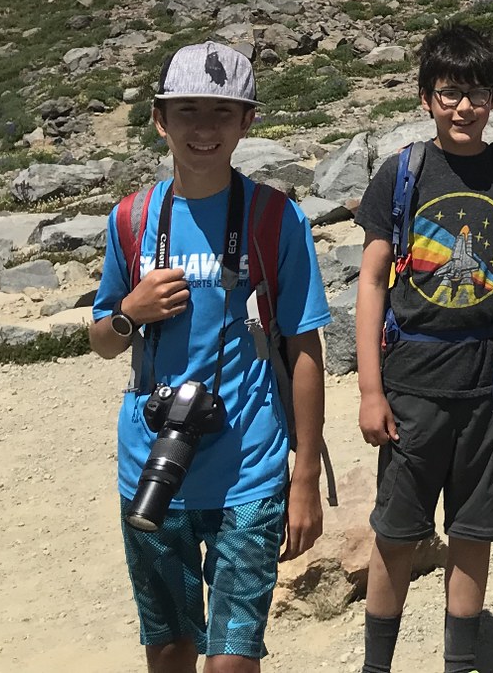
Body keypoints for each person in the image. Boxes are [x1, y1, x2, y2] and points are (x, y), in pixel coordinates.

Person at [90, 42, 331, 673]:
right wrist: (128, 312)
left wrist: (303, 475)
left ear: (247, 122)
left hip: (248, 468)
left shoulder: (275, 218)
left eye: (222, 113)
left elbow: (306, 348)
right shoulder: (132, 219)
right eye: (188, 110)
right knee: (168, 647)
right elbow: (101, 339)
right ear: (159, 118)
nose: (204, 128)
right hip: (150, 469)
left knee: (232, 659)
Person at [352, 25, 493, 673]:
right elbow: (372, 279)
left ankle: (458, 665)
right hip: (412, 388)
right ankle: (377, 665)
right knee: (396, 532)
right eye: (450, 93)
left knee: (474, 532)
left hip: (488, 387)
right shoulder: (401, 174)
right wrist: (370, 390)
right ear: (427, 98)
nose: (465, 107)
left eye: (478, 93)